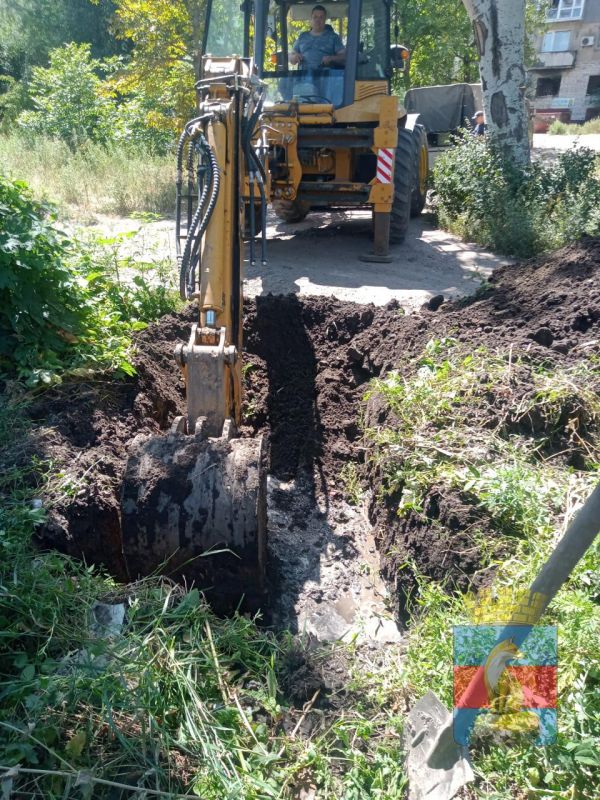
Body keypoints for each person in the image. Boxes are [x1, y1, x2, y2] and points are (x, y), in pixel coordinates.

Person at [289, 5, 346, 69]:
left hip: (326, 76)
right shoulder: (302, 36)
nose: (318, 20)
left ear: (325, 20)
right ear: (311, 19)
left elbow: (344, 57)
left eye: (321, 17)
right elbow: (291, 56)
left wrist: (331, 58)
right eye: (315, 17)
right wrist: (294, 57)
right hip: (304, 76)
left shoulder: (333, 37)